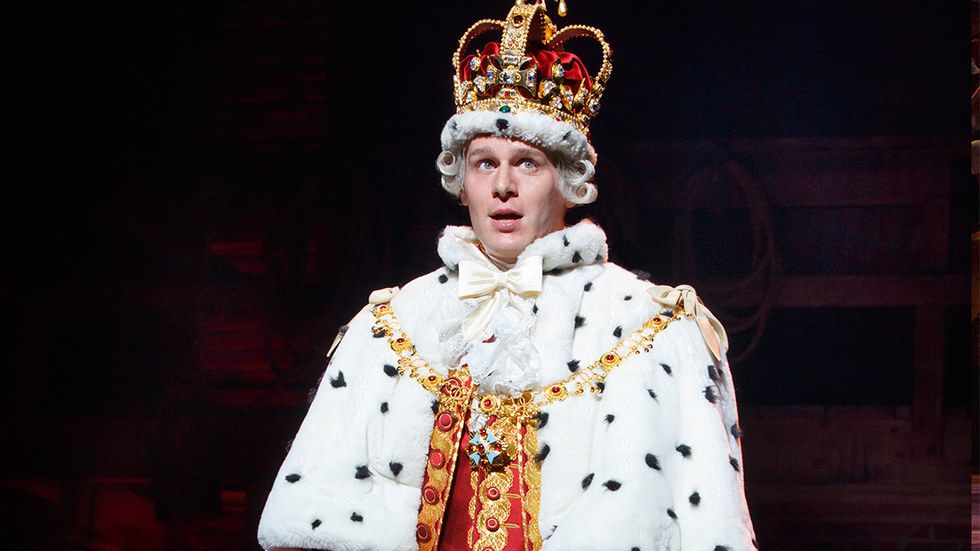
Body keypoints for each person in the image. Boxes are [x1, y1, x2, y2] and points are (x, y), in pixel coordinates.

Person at [258, 1, 757, 549]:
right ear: (462, 182)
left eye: (526, 163)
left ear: (568, 182)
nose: (502, 187)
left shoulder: (649, 326)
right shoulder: (389, 326)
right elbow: (307, 523)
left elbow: (707, 526)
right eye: (484, 163)